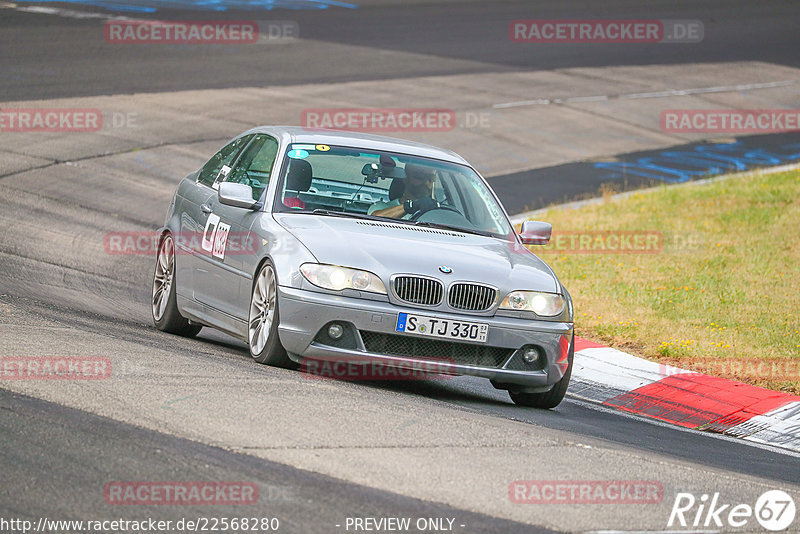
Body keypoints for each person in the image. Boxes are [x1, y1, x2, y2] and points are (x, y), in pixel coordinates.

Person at [368, 163, 439, 219]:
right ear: (405, 179)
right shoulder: (381, 206)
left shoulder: (437, 211)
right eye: (419, 177)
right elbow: (374, 219)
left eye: (431, 178)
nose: (426, 182)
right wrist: (411, 206)